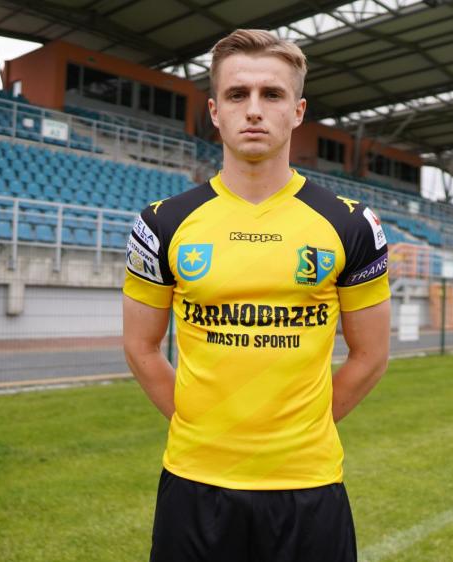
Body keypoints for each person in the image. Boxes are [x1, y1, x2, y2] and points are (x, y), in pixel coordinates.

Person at [122, 28, 391, 562]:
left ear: (297, 111)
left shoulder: (351, 224)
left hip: (308, 484)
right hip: (194, 482)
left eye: (272, 94)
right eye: (236, 94)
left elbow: (371, 355)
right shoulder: (162, 223)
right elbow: (140, 346)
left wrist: (303, 428)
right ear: (215, 111)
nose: (253, 109)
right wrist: (201, 426)